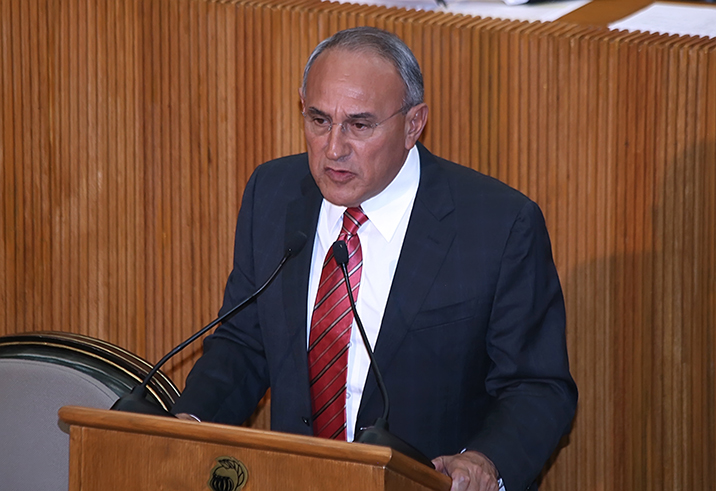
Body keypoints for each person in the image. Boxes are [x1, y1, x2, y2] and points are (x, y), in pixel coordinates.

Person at [172, 26, 577, 491]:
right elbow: (244, 343)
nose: (334, 148)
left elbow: (537, 387)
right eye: (319, 120)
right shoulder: (273, 194)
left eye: (359, 126)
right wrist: (190, 423)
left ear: (413, 124)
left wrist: (486, 460)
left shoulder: (497, 226)